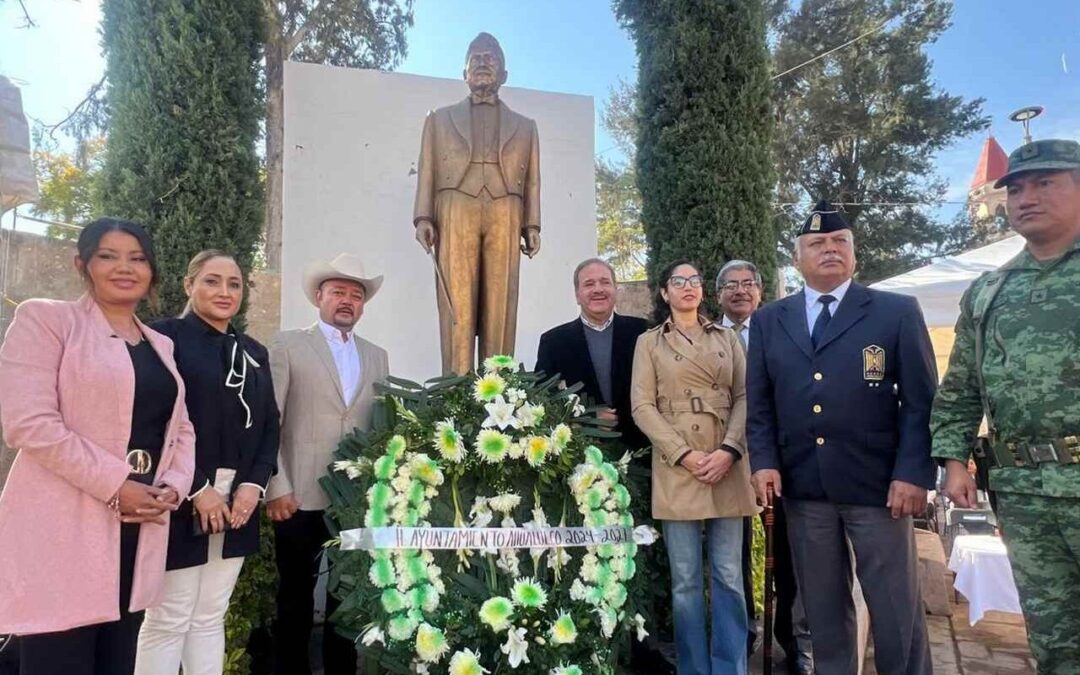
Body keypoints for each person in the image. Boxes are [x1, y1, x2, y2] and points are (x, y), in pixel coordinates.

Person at [746, 201, 937, 675]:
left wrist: (913, 473)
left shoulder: (894, 311)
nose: (829, 250)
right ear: (797, 258)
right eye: (816, 244)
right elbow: (760, 402)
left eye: (839, 242)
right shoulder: (771, 319)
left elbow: (920, 401)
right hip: (805, 487)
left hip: (880, 489)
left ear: (854, 253)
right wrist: (763, 462)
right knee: (824, 611)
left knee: (896, 610)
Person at [0, 217, 195, 674]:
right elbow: (28, 423)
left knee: (118, 658)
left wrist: (173, 486)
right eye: (108, 255)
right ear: (82, 264)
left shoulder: (161, 345)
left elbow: (181, 429)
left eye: (138, 258)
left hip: (138, 525)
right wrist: (116, 483)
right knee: (58, 658)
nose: (124, 267)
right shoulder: (46, 320)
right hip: (64, 527)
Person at [931, 139, 1080, 673]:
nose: (1026, 198)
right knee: (1053, 635)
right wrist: (952, 459)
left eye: (1045, 183)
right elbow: (962, 385)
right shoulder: (989, 290)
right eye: (1016, 188)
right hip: (1023, 490)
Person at [134, 251, 279, 675]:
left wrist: (254, 486)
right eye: (212, 281)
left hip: (239, 503)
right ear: (189, 285)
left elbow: (270, 423)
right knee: (169, 616)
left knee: (211, 614)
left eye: (234, 284)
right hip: (180, 495)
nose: (224, 292)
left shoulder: (253, 351)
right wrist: (197, 489)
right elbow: (153, 421)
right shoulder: (163, 338)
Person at [265, 253, 389, 675]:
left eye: (356, 295)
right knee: (295, 598)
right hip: (298, 495)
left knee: (348, 598)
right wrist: (276, 486)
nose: (347, 301)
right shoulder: (287, 344)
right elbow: (270, 420)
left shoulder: (377, 355)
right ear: (319, 296)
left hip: (353, 501)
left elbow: (379, 426)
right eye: (338, 292)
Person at [632, 260, 758, 675]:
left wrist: (729, 449)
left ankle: (731, 667)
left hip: (726, 463)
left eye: (694, 281)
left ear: (703, 291)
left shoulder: (727, 338)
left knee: (728, 576)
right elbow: (642, 406)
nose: (687, 287)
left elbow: (745, 396)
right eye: (677, 281)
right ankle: (693, 668)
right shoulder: (649, 343)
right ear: (664, 293)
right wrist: (683, 453)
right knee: (685, 582)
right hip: (678, 465)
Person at [412, 32, 541, 374]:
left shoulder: (526, 127)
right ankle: (455, 388)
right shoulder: (438, 119)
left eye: (491, 58)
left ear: (504, 75)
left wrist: (532, 224)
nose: (483, 63)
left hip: (506, 210)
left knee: (500, 305)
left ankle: (497, 389)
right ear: (464, 71)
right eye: (476, 58)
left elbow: (532, 180)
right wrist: (423, 216)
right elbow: (427, 169)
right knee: (457, 304)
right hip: (454, 206)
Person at [716, 261, 812, 675]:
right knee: (730, 559)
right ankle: (744, 634)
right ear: (717, 294)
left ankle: (796, 643)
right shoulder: (707, 336)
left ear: (760, 291)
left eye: (748, 284)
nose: (740, 291)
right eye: (730, 286)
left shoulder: (783, 330)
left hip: (780, 458)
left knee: (789, 555)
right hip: (726, 458)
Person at [535, 258, 648, 449]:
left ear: (615, 290)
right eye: (589, 284)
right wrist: (586, 416)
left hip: (641, 449)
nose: (598, 289)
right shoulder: (554, 342)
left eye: (605, 282)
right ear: (577, 295)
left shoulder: (642, 332)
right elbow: (543, 399)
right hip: (582, 453)